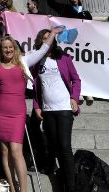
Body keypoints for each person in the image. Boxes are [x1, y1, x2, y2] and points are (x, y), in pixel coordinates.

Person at [0, 29, 58, 192]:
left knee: (16, 151)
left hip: (17, 113)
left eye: (10, 47)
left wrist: (53, 33)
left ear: (15, 48)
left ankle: (23, 190)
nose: (8, 50)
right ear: (0, 50)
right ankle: (12, 187)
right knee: (4, 151)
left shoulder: (23, 61)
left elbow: (42, 50)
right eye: (4, 47)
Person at [31, 28, 81, 192]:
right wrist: (36, 106)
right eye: (45, 38)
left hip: (64, 109)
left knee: (65, 147)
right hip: (48, 110)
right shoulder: (37, 61)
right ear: (40, 41)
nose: (48, 40)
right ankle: (56, 172)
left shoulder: (64, 58)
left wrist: (74, 98)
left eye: (50, 37)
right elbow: (35, 86)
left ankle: (71, 187)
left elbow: (76, 79)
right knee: (54, 145)